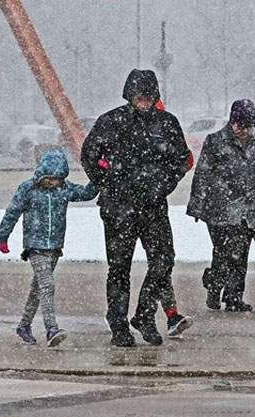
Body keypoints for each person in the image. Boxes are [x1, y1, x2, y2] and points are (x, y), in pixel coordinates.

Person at [81, 69, 193, 347]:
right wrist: (109, 183)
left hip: (154, 206)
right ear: (129, 95)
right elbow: (89, 156)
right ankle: (118, 324)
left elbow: (181, 160)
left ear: (155, 96)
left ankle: (144, 314)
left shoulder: (167, 123)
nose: (143, 100)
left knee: (164, 260)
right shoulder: (111, 121)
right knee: (119, 268)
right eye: (138, 96)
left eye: (148, 95)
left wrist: (165, 184)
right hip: (118, 209)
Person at [0, 149, 99, 347]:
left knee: (38, 289)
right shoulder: (28, 189)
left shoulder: (65, 189)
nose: (53, 182)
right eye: (49, 178)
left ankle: (23, 326)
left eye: (57, 179)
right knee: (47, 285)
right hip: (35, 247)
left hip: (54, 247)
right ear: (41, 174)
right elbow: (12, 212)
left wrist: (98, 174)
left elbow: (87, 193)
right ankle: (52, 328)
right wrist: (3, 237)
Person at [187, 99, 255, 312]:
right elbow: (202, 174)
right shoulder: (215, 141)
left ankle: (234, 297)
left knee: (241, 253)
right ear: (232, 122)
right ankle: (214, 286)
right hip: (219, 207)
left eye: (249, 126)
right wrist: (197, 205)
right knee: (224, 252)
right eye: (240, 125)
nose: (244, 131)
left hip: (248, 208)